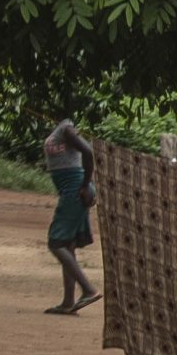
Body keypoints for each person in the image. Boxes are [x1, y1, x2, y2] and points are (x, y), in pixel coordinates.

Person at [42, 118, 100, 314]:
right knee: (68, 245)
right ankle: (68, 302)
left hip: (75, 190)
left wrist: (85, 185)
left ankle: (88, 290)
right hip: (72, 189)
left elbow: (88, 152)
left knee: (56, 242)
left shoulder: (66, 128)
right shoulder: (61, 129)